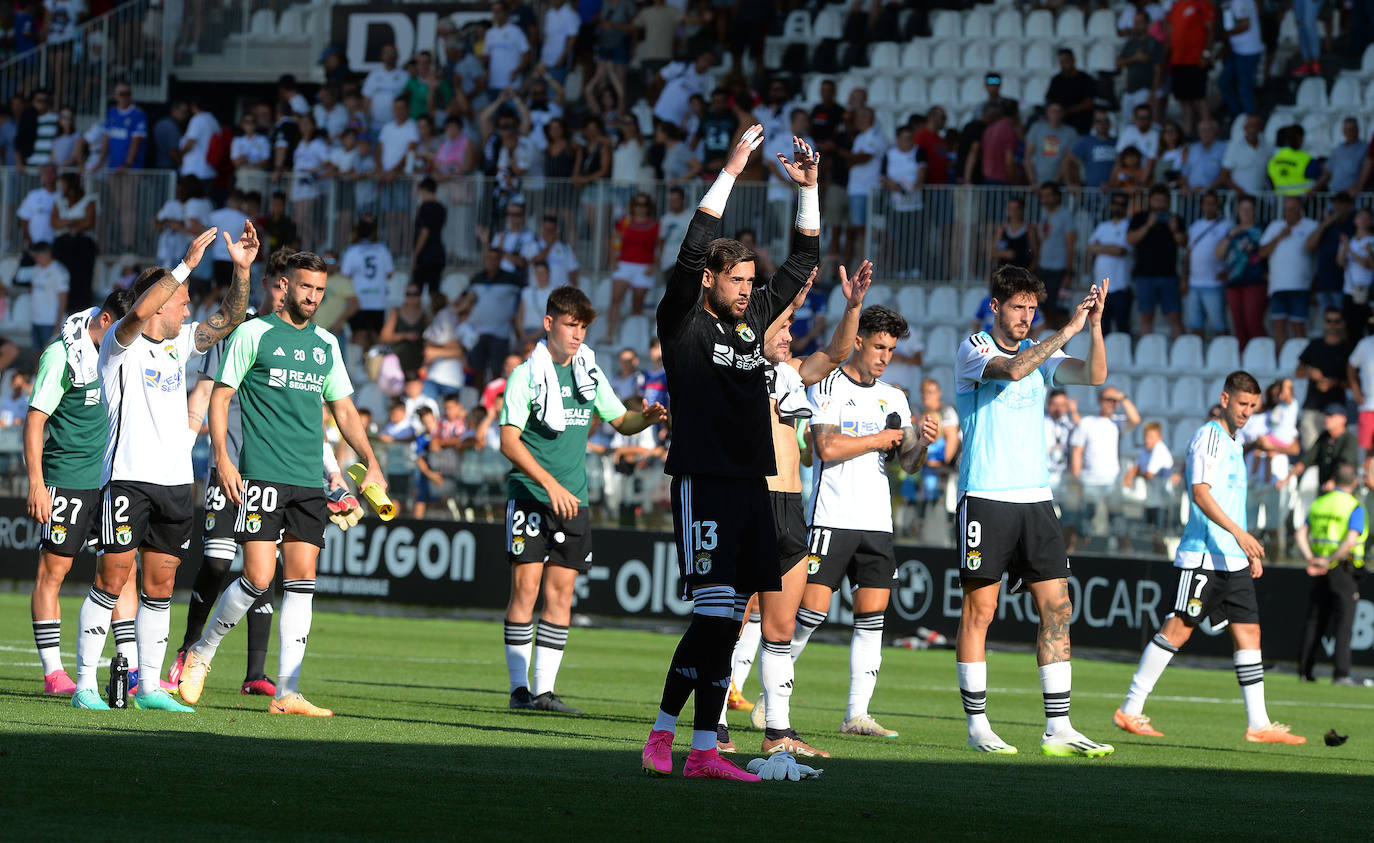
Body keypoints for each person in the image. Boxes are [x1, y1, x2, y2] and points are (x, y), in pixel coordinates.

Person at [640, 125, 819, 782]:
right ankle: (665, 735)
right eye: (736, 278)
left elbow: (803, 262)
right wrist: (732, 169)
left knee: (727, 623)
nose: (747, 289)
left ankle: (704, 751)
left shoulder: (751, 320)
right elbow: (691, 247)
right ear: (710, 278)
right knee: (714, 617)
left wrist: (810, 190)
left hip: (753, 484)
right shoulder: (682, 318)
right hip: (704, 480)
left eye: (750, 279)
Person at [178, 251, 384, 717]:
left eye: (320, 291)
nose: (313, 297)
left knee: (302, 582)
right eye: (305, 287)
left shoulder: (328, 344)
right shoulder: (253, 333)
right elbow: (221, 396)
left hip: (309, 480)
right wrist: (223, 460)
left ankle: (288, 692)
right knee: (257, 578)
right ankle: (202, 653)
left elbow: (344, 411)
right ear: (285, 286)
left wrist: (370, 462)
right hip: (262, 473)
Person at [70, 224, 246, 712]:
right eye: (183, 300)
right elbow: (140, 310)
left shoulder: (180, 344)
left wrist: (243, 268)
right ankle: (85, 685)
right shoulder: (119, 346)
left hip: (174, 485)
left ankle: (149, 688)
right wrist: (185, 264)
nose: (189, 309)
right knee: (111, 580)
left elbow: (229, 317)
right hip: (127, 479)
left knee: (161, 587)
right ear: (160, 301)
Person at [953, 265, 1115, 756]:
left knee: (1058, 608)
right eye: (1018, 307)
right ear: (996, 307)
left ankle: (1058, 727)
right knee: (981, 611)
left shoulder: (1039, 353)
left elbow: (1095, 375)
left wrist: (1093, 327)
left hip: (1036, 500)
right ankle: (977, 725)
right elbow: (1015, 369)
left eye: (1031, 309)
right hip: (986, 495)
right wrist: (1064, 329)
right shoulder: (974, 348)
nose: (1025, 317)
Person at [1114, 371, 1306, 746]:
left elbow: (1231, 499)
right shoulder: (1210, 437)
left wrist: (1245, 550)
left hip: (1232, 558)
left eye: (1253, 406)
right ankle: (1130, 709)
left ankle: (1259, 723)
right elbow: (1200, 494)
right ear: (1224, 399)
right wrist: (1240, 534)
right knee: (1178, 629)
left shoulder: (1236, 442)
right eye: (1242, 404)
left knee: (1250, 632)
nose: (1247, 412)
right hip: (1203, 556)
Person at [499, 285, 666, 714]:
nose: (578, 335)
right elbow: (509, 442)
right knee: (525, 590)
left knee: (561, 595)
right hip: (533, 496)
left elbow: (619, 420)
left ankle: (544, 692)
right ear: (549, 323)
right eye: (571, 325)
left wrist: (641, 419)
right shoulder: (525, 375)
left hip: (574, 501)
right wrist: (550, 485)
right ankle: (519, 691)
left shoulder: (589, 371)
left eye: (584, 328)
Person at [739, 260, 872, 758]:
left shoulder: (794, 373)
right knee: (732, 620)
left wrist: (852, 305)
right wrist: (787, 301)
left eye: (791, 329)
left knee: (781, 627)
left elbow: (838, 353)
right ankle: (714, 729)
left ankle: (778, 731)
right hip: (749, 500)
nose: (788, 336)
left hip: (791, 505)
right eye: (781, 328)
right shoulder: (740, 371)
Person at [790, 305, 938, 739]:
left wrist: (922, 444)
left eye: (891, 349)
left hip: (877, 522)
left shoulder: (895, 396)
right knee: (809, 614)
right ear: (858, 341)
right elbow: (826, 448)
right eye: (878, 346)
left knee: (871, 620)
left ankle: (857, 714)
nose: (885, 356)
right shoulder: (829, 385)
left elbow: (908, 463)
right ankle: (771, 697)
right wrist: (880, 439)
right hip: (832, 516)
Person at [170, 248, 295, 698]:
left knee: (263, 569)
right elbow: (202, 397)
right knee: (220, 559)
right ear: (266, 283)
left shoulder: (300, 342)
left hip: (272, 473)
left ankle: (255, 674)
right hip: (228, 467)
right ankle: (187, 650)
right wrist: (183, 457)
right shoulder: (234, 331)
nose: (286, 294)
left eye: (293, 286)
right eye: (280, 284)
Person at [26, 289, 136, 696]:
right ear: (106, 321)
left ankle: (132, 667)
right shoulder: (62, 355)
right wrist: (38, 483)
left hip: (111, 479)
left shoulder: (119, 352)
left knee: (123, 572)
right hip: (68, 478)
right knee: (53, 572)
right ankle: (54, 673)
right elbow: (35, 420)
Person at [1295, 462, 1366, 684]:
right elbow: (1351, 540)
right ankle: (1341, 673)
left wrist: (1312, 558)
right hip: (1342, 568)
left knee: (1315, 620)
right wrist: (1329, 560)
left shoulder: (1320, 503)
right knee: (1343, 623)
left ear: (1334, 480)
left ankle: (1305, 671)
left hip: (1319, 568)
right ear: (1354, 482)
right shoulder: (1354, 506)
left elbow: (1300, 533)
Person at [1070, 386, 1141, 549]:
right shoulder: (1087, 423)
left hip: (1112, 481)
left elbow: (1135, 419)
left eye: (1114, 401)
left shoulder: (1117, 422)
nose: (1111, 403)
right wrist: (1076, 479)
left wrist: (1122, 397)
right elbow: (1077, 452)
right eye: (1108, 399)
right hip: (1089, 481)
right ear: (1099, 400)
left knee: (1119, 524)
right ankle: (1080, 561)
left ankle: (1126, 563)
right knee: (1084, 525)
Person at [1259, 195, 1320, 347]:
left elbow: (1314, 250)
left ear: (1300, 209)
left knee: (1298, 326)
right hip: (1277, 285)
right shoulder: (1275, 226)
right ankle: (1281, 364)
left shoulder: (1311, 225)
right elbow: (1262, 252)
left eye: (1292, 209)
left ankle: (1301, 365)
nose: (1288, 213)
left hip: (1300, 285)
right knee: (1279, 327)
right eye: (1286, 209)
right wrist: (1279, 237)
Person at [1127, 184, 1186, 338]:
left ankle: (1178, 355)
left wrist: (1174, 229)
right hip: (1144, 276)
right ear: (1150, 200)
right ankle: (1146, 352)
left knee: (1175, 317)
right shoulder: (1139, 217)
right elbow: (1130, 239)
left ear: (1168, 201)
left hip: (1169, 275)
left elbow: (1183, 243)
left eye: (1163, 200)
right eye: (1156, 200)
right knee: (1146, 317)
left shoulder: (1175, 218)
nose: (1160, 203)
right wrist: (1148, 225)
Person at [467, 246, 526, 386]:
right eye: (489, 257)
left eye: (495, 258)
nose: (492, 261)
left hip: (501, 333)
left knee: (497, 370)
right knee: (477, 370)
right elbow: (467, 300)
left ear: (500, 260)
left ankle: (496, 399)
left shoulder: (512, 279)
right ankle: (479, 403)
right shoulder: (477, 278)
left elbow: (524, 298)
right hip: (478, 333)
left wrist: (517, 316)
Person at [605, 193, 660, 343]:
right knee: (615, 299)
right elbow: (613, 240)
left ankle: (632, 340)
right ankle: (610, 335)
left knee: (637, 306)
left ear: (648, 207)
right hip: (624, 264)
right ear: (633, 206)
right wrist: (613, 260)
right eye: (637, 204)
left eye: (644, 205)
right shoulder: (625, 222)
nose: (640, 208)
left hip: (644, 267)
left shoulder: (655, 225)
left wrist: (654, 265)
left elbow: (660, 247)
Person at [1218, 194, 1266, 349]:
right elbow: (1218, 254)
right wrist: (1230, 236)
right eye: (1242, 209)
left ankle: (1262, 355)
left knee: (1253, 322)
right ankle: (1243, 362)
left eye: (1249, 209)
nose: (1245, 212)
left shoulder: (1262, 230)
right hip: (1234, 283)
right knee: (1238, 326)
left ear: (1254, 211)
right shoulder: (1231, 232)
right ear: (1237, 211)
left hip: (1255, 282)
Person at [340, 216, 394, 348]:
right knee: (376, 336)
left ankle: (359, 367)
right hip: (377, 300)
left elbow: (344, 275)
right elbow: (390, 274)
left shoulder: (352, 251)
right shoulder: (382, 249)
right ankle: (375, 365)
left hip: (359, 301)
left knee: (359, 336)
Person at [1185, 190, 1231, 339]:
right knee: (1195, 325)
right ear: (1202, 206)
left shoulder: (1227, 225)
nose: (1210, 207)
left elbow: (1234, 254)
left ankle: (1224, 357)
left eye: (1213, 204)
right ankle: (1197, 358)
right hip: (1194, 283)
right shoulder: (1195, 226)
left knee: (1219, 325)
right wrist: (1184, 278)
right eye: (1206, 204)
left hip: (1214, 284)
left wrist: (1228, 272)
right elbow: (1188, 253)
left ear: (1218, 205)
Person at [1283, 404, 1361, 491]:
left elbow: (1346, 464)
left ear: (1343, 419)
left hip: (1343, 493)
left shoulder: (1349, 439)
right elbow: (1306, 460)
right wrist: (1287, 479)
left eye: (1331, 415)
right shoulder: (1324, 437)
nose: (1327, 419)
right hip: (1324, 491)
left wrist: (1333, 482)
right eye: (1326, 415)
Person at [1165, 0, 1216, 134]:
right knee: (1184, 100)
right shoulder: (1176, 6)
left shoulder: (1202, 4)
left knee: (1200, 98)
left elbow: (1210, 29)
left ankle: (1208, 132)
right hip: (1178, 60)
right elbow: (1171, 30)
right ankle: (1187, 133)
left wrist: (1206, 53)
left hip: (1195, 60)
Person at [1086, 193, 1133, 334]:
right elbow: (1089, 247)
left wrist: (1100, 247)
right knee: (1100, 329)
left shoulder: (1129, 226)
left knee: (1122, 329)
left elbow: (1120, 250)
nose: (1117, 207)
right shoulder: (1103, 226)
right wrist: (1109, 248)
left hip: (1121, 286)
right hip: (1100, 290)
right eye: (1115, 203)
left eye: (1121, 204)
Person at [1220, 0, 1264, 119]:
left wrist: (1226, 33)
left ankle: (1250, 119)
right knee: (1225, 83)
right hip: (1238, 50)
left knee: (1245, 87)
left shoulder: (1240, 1)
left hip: (1248, 51)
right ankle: (1238, 116)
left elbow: (1245, 24)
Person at [1337, 207, 1374, 336]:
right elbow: (1341, 263)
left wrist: (1350, 250)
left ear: (1370, 221)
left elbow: (1369, 264)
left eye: (1366, 218)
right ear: (1355, 220)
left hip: (1368, 292)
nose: (1363, 221)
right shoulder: (1349, 240)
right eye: (1360, 217)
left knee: (1370, 326)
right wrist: (1344, 248)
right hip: (1350, 290)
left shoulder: (1372, 241)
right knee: (1351, 328)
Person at [1024, 103, 1077, 188]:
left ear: (1063, 113)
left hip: (1060, 184)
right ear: (1047, 112)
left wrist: (1054, 183)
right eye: (1053, 111)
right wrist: (1033, 181)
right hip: (1038, 184)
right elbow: (1027, 158)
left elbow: (1067, 160)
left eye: (1058, 111)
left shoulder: (1070, 132)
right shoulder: (1036, 128)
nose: (1055, 114)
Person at [1046, 49, 1097, 135]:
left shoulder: (1085, 79)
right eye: (1061, 62)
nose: (1064, 64)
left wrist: (1068, 110)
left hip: (1081, 122)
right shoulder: (1056, 80)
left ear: (1073, 60)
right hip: (1060, 122)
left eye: (1066, 60)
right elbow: (1050, 99)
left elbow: (1089, 103)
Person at [1219, 113, 1271, 197]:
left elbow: (1269, 173)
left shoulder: (1267, 146)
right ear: (1244, 127)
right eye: (1250, 125)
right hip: (1239, 198)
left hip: (1260, 199)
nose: (1253, 129)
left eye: (1256, 125)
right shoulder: (1234, 146)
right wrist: (1242, 193)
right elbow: (1224, 176)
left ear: (1260, 128)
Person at [1063, 109, 1117, 189]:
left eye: (1106, 121)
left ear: (1110, 123)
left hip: (1115, 194)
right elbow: (1067, 161)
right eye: (1099, 121)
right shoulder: (1086, 141)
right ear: (1094, 124)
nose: (1103, 124)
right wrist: (1069, 183)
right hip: (1091, 194)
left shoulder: (1118, 142)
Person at [412, 178, 448, 296]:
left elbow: (425, 231)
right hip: (438, 253)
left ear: (423, 190)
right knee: (434, 292)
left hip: (425, 254)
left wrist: (416, 254)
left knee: (415, 290)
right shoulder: (441, 208)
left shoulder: (425, 207)